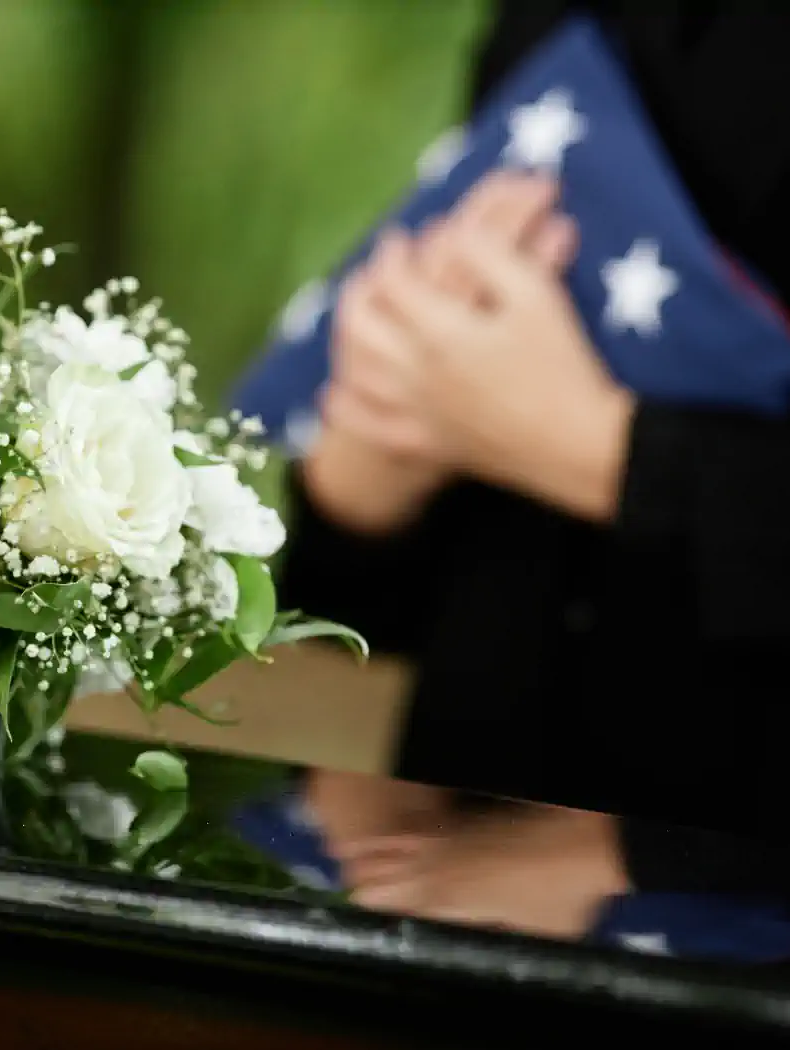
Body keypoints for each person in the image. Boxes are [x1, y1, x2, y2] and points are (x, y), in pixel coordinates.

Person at [281, 3, 790, 931]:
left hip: (720, 909)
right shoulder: (549, 15)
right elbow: (365, 598)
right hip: (439, 860)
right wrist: (362, 482)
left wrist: (604, 448)